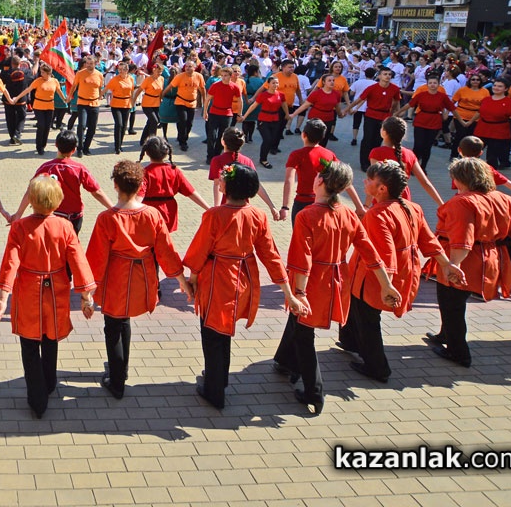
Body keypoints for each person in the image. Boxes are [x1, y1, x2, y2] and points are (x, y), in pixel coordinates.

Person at [272, 160, 398, 415]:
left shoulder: (307, 215)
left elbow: (302, 260)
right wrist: (386, 285)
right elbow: (370, 252)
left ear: (320, 181)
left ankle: (313, 392)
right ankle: (284, 361)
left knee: (304, 333)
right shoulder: (348, 214)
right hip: (338, 278)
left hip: (313, 282)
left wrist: (299, 293)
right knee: (298, 325)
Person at [184, 163, 307, 410]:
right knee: (224, 330)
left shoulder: (214, 215)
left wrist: (192, 280)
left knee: (212, 332)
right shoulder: (258, 215)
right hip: (244, 278)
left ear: (229, 187)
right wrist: (289, 294)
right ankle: (219, 377)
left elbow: (199, 252)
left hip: (217, 278)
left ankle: (215, 390)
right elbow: (271, 256)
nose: (219, 182)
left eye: (222, 179)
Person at [427, 158, 511, 367]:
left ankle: (458, 352)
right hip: (491, 258)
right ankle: (445, 335)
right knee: (454, 304)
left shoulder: (462, 202)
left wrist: (453, 266)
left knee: (451, 305)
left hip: (465, 260)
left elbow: (463, 239)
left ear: (461, 179)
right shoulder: (504, 199)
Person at [341, 160, 463, 383]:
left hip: (374, 275)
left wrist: (386, 285)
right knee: (356, 308)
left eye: (369, 180)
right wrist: (447, 264)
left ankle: (377, 367)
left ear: (381, 188)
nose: (364, 182)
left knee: (367, 317)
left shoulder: (378, 214)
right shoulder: (412, 207)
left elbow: (384, 254)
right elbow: (429, 240)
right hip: (401, 270)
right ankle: (349, 341)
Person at [86, 160, 192, 400]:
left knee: (113, 325)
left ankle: (116, 381)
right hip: (142, 275)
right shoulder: (152, 214)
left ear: (115, 185)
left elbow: (96, 257)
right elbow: (166, 251)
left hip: (116, 276)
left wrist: (88, 292)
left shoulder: (107, 218)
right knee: (124, 321)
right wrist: (181, 280)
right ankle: (121, 370)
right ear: (140, 186)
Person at [0, 175, 96, 418]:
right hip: (56, 290)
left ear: (31, 201)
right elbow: (78, 261)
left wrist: (3, 296)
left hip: (28, 290)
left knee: (29, 344)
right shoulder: (65, 226)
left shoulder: (20, 227)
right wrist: (86, 296)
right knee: (51, 338)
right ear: (58, 201)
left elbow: (11, 262)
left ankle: (37, 398)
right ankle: (49, 383)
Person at [9, 130, 113, 234]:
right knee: (71, 241)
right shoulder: (79, 169)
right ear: (74, 149)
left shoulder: (45, 167)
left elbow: (31, 190)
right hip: (74, 217)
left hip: (52, 216)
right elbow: (97, 192)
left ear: (56, 145)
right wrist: (113, 209)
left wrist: (18, 214)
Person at [364, 116, 445, 206]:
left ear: (384, 132)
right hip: (403, 197)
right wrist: (442, 204)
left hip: (383, 197)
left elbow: (374, 180)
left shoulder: (376, 152)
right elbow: (425, 182)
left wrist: (366, 205)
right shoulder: (410, 154)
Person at [139, 136, 208, 232]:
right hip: (169, 210)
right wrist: (208, 208)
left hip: (149, 211)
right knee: (165, 237)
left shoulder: (144, 173)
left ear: (146, 152)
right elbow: (190, 192)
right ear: (166, 152)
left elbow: (138, 197)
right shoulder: (174, 171)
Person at [344, 68, 401, 172]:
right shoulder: (372, 88)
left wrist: (396, 114)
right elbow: (359, 99)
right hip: (371, 115)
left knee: (378, 139)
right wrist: (347, 109)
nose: (387, 76)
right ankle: (364, 163)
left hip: (385, 116)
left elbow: (396, 101)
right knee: (368, 139)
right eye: (385, 74)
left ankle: (373, 160)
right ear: (379, 76)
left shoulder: (394, 89)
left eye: (389, 74)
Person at [282, 119, 338, 223]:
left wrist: (285, 207)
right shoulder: (329, 154)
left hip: (302, 202)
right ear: (322, 137)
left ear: (303, 135)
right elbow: (342, 177)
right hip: (324, 202)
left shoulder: (296, 155)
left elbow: (289, 181)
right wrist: (359, 205)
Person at [474, 79, 511, 171]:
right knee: (474, 152)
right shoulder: (486, 99)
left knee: (492, 156)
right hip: (482, 129)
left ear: (505, 89)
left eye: (500, 86)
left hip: (498, 132)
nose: (496, 88)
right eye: (495, 85)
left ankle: (491, 175)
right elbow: (479, 113)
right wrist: (469, 122)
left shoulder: (510, 103)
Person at [6, 62, 64, 156]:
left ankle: (43, 145)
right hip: (38, 106)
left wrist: (65, 99)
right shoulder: (38, 81)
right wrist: (17, 98)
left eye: (43, 72)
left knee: (47, 127)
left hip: (50, 106)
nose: (41, 74)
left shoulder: (54, 81)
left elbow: (59, 91)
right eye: (41, 72)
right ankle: (39, 146)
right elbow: (27, 90)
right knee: (41, 125)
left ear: (48, 73)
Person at [407, 74, 454, 169]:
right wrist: (398, 112)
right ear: (427, 84)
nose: (432, 85)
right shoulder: (421, 93)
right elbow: (410, 104)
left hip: (434, 122)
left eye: (435, 83)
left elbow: (451, 107)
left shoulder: (442, 96)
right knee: (418, 145)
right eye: (430, 83)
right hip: (421, 120)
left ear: (438, 84)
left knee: (427, 146)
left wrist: (446, 114)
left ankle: (423, 167)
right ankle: (413, 166)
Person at [240, 74, 285, 167]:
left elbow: (284, 105)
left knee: (272, 139)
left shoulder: (281, 95)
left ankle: (265, 156)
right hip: (263, 120)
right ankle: (263, 159)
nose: (275, 85)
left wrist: (288, 115)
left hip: (275, 119)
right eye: (273, 83)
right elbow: (253, 106)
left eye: (277, 83)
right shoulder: (263, 95)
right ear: (268, 84)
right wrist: (245, 116)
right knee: (267, 139)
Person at [288, 73, 342, 148]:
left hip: (329, 118)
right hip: (315, 118)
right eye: (329, 80)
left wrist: (340, 114)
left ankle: (320, 153)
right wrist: (293, 114)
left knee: (324, 139)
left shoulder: (336, 94)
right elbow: (305, 105)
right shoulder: (316, 93)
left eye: (333, 80)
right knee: (312, 139)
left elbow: (337, 106)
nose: (332, 82)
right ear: (324, 82)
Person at [203, 66, 241, 163]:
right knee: (211, 135)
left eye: (226, 75)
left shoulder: (235, 87)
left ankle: (217, 155)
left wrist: (239, 113)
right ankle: (209, 156)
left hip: (227, 114)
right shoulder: (215, 85)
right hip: (214, 112)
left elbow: (240, 100)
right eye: (222, 75)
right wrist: (205, 112)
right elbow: (207, 99)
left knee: (222, 136)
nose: (223, 77)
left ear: (230, 76)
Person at [68, 56, 104, 155]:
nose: (88, 65)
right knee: (82, 125)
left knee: (92, 128)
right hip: (82, 103)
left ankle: (86, 147)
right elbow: (74, 86)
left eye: (91, 64)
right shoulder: (80, 74)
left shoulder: (99, 75)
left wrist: (100, 96)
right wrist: (70, 96)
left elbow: (100, 88)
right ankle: (79, 148)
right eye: (87, 63)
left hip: (94, 103)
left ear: (95, 64)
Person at [168, 61, 206, 152]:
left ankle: (183, 136)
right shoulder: (180, 76)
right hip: (180, 101)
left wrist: (204, 101)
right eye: (186, 66)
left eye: (190, 66)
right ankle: (183, 142)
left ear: (194, 68)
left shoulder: (199, 76)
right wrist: (162, 96)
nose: (187, 68)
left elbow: (202, 89)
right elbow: (170, 86)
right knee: (183, 120)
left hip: (192, 103)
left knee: (189, 123)